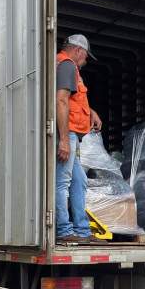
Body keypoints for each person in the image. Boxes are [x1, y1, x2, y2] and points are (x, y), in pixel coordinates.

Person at [55, 34, 104, 244]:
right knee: (62, 182)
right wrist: (64, 139)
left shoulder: (68, 67)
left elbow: (73, 100)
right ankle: (64, 230)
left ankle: (82, 231)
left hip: (73, 134)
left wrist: (90, 111)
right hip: (69, 133)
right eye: (85, 57)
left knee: (79, 180)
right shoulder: (66, 65)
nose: (85, 62)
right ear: (78, 51)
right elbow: (61, 100)